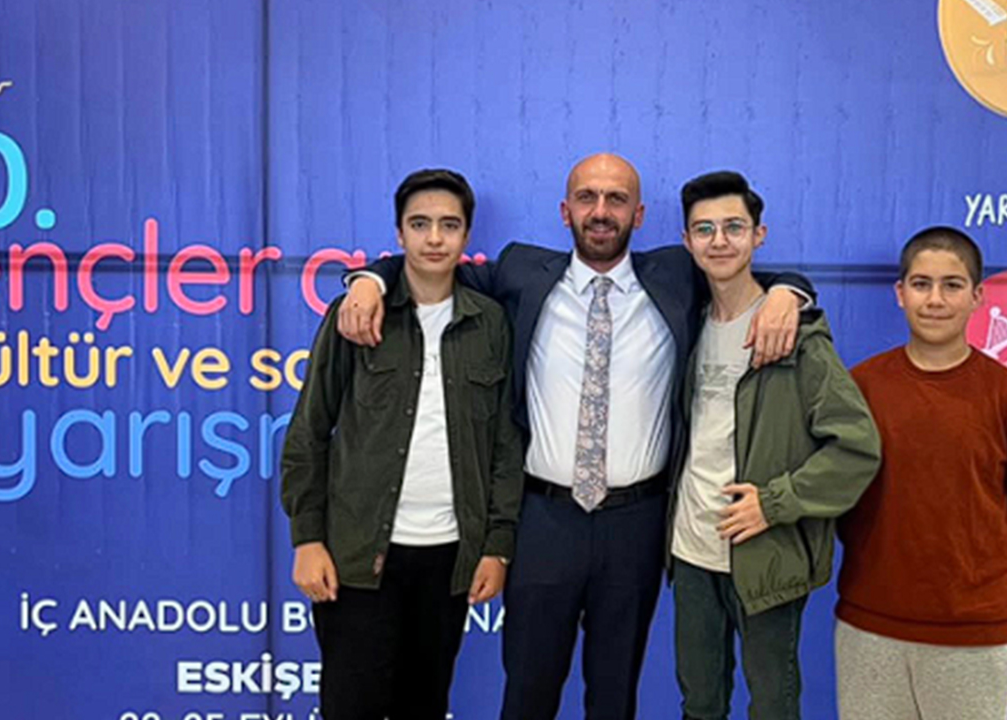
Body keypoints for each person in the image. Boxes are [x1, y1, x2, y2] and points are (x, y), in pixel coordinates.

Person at [337, 154, 816, 719]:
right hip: (544, 521)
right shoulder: (522, 271)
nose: (601, 211)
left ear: (639, 215)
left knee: (614, 697)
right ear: (566, 211)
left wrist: (788, 294)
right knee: (528, 693)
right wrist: (370, 278)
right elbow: (430, 267)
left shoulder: (676, 275)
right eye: (587, 197)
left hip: (636, 524)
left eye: (617, 199)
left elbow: (745, 271)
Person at [280, 168, 523, 720]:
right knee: (351, 707)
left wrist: (498, 544)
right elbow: (309, 431)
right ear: (399, 233)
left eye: (449, 225)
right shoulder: (355, 316)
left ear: (466, 235)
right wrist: (307, 537)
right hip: (358, 557)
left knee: (425, 706)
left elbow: (505, 447)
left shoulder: (490, 324)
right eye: (420, 224)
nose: (434, 238)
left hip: (449, 559)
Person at [668, 171, 880, 720]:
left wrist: (775, 502)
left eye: (734, 227)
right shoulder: (683, 323)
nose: (719, 240)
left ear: (758, 235)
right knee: (699, 704)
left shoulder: (798, 338)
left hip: (767, 555)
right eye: (704, 229)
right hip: (691, 552)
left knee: (773, 705)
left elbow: (857, 448)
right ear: (687, 241)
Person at [836, 226, 1007, 720]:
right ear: (900, 293)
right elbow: (834, 494)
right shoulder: (860, 387)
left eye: (952, 285)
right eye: (922, 284)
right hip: (869, 629)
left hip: (972, 638)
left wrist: (1002, 598)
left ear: (978, 296)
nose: (935, 299)